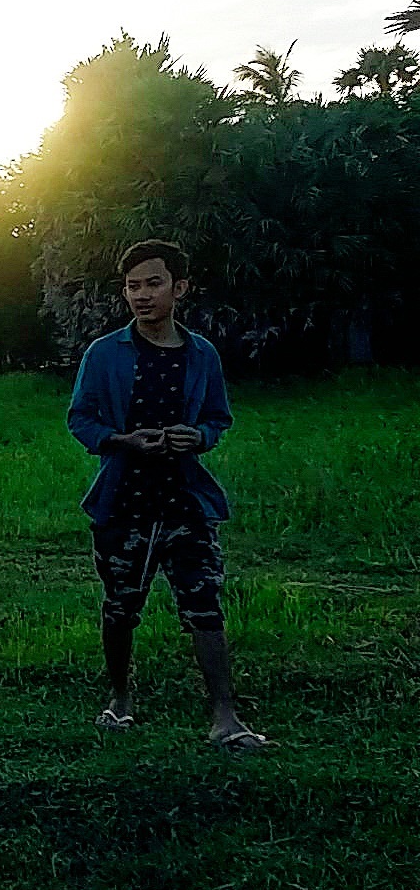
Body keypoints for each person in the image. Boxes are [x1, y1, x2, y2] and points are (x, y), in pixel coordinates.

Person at [66, 239, 271, 753]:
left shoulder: (202, 354)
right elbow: (80, 419)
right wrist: (122, 441)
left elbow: (218, 418)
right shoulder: (103, 354)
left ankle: (225, 717)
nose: (141, 295)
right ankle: (119, 700)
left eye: (153, 283)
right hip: (123, 501)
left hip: (185, 500)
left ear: (179, 288)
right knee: (121, 607)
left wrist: (197, 436)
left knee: (204, 604)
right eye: (132, 286)